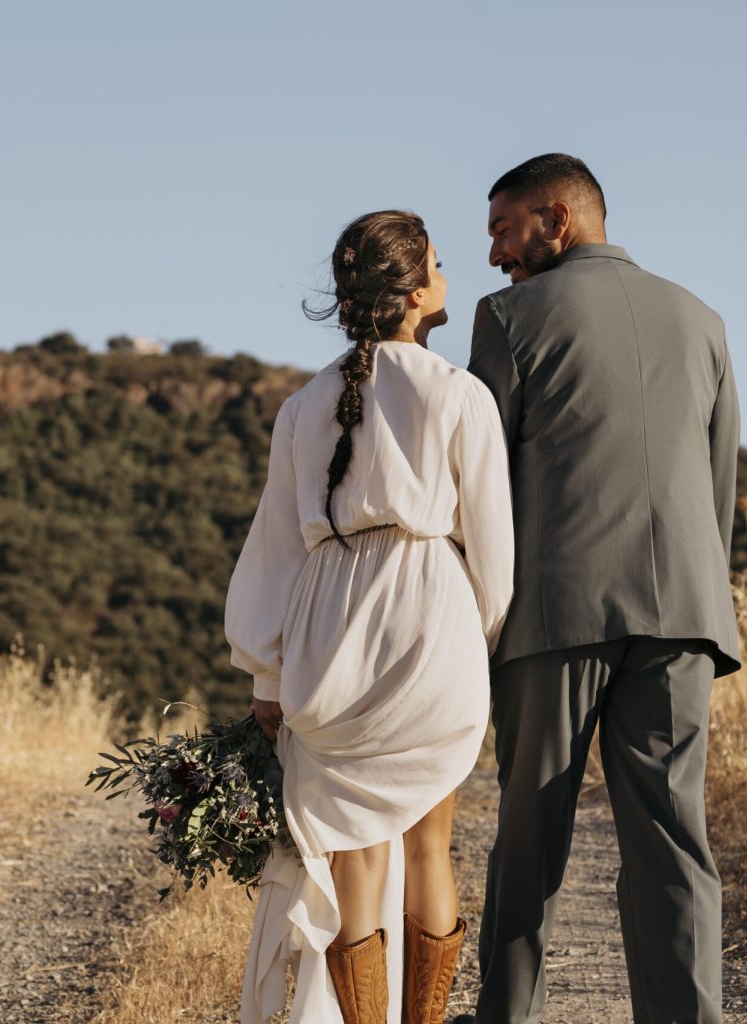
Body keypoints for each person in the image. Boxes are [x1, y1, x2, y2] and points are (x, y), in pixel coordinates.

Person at [458, 154, 741, 1024]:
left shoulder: (506, 317)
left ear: (557, 219)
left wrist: (474, 618)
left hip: (555, 614)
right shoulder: (703, 319)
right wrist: (699, 593)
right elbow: (717, 479)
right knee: (673, 844)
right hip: (686, 612)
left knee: (530, 837)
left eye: (504, 231)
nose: (496, 255)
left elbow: (482, 481)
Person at [225, 210, 514, 1024]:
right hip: (431, 618)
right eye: (442, 266)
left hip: (329, 631)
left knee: (353, 859)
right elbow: (494, 547)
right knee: (430, 845)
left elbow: (276, 549)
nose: (450, 278)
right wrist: (476, 642)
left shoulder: (301, 406)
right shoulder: (459, 393)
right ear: (417, 292)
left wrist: (267, 673)